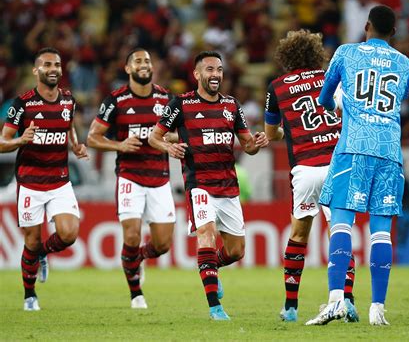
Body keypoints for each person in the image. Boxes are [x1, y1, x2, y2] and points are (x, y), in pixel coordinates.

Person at [305, 5, 409, 326]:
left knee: (341, 222)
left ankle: (336, 300)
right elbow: (396, 101)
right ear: (393, 32)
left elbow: (324, 99)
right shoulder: (406, 64)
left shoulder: (346, 52)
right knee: (382, 232)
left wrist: (340, 102)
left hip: (353, 148)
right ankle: (377, 309)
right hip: (390, 151)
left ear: (366, 26)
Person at [149, 50, 268, 320]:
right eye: (210, 70)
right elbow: (154, 137)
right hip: (199, 184)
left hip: (227, 185)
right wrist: (168, 147)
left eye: (219, 70)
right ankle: (215, 306)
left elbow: (247, 145)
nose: (215, 75)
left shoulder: (232, 105)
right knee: (206, 233)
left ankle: (210, 268)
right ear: (197, 74)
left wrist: (256, 143)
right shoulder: (180, 104)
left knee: (236, 251)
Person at [264, 29, 358, 323]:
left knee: (298, 235)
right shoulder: (332, 77)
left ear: (287, 57)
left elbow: (271, 134)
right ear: (315, 54)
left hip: (304, 169)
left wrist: (283, 132)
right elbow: (347, 113)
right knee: (339, 233)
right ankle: (349, 301)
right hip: (336, 164)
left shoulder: (276, 87)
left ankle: (290, 307)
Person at [87, 48, 176, 309]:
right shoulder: (115, 100)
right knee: (132, 235)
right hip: (130, 177)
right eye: (138, 61)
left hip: (160, 177)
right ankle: (136, 293)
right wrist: (120, 145)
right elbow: (93, 138)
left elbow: (179, 133)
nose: (144, 64)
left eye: (147, 60)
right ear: (128, 69)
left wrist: (163, 138)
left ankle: (138, 258)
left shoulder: (166, 98)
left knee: (162, 245)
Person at [0, 47, 88, 311]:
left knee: (69, 233)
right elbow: (2, 142)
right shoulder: (23, 103)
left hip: (60, 181)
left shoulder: (68, 100)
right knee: (32, 240)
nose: (53, 69)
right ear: (36, 70)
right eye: (47, 65)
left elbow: (70, 126)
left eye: (57, 65)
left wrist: (76, 145)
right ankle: (30, 294)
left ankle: (41, 255)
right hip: (30, 182)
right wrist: (20, 140)